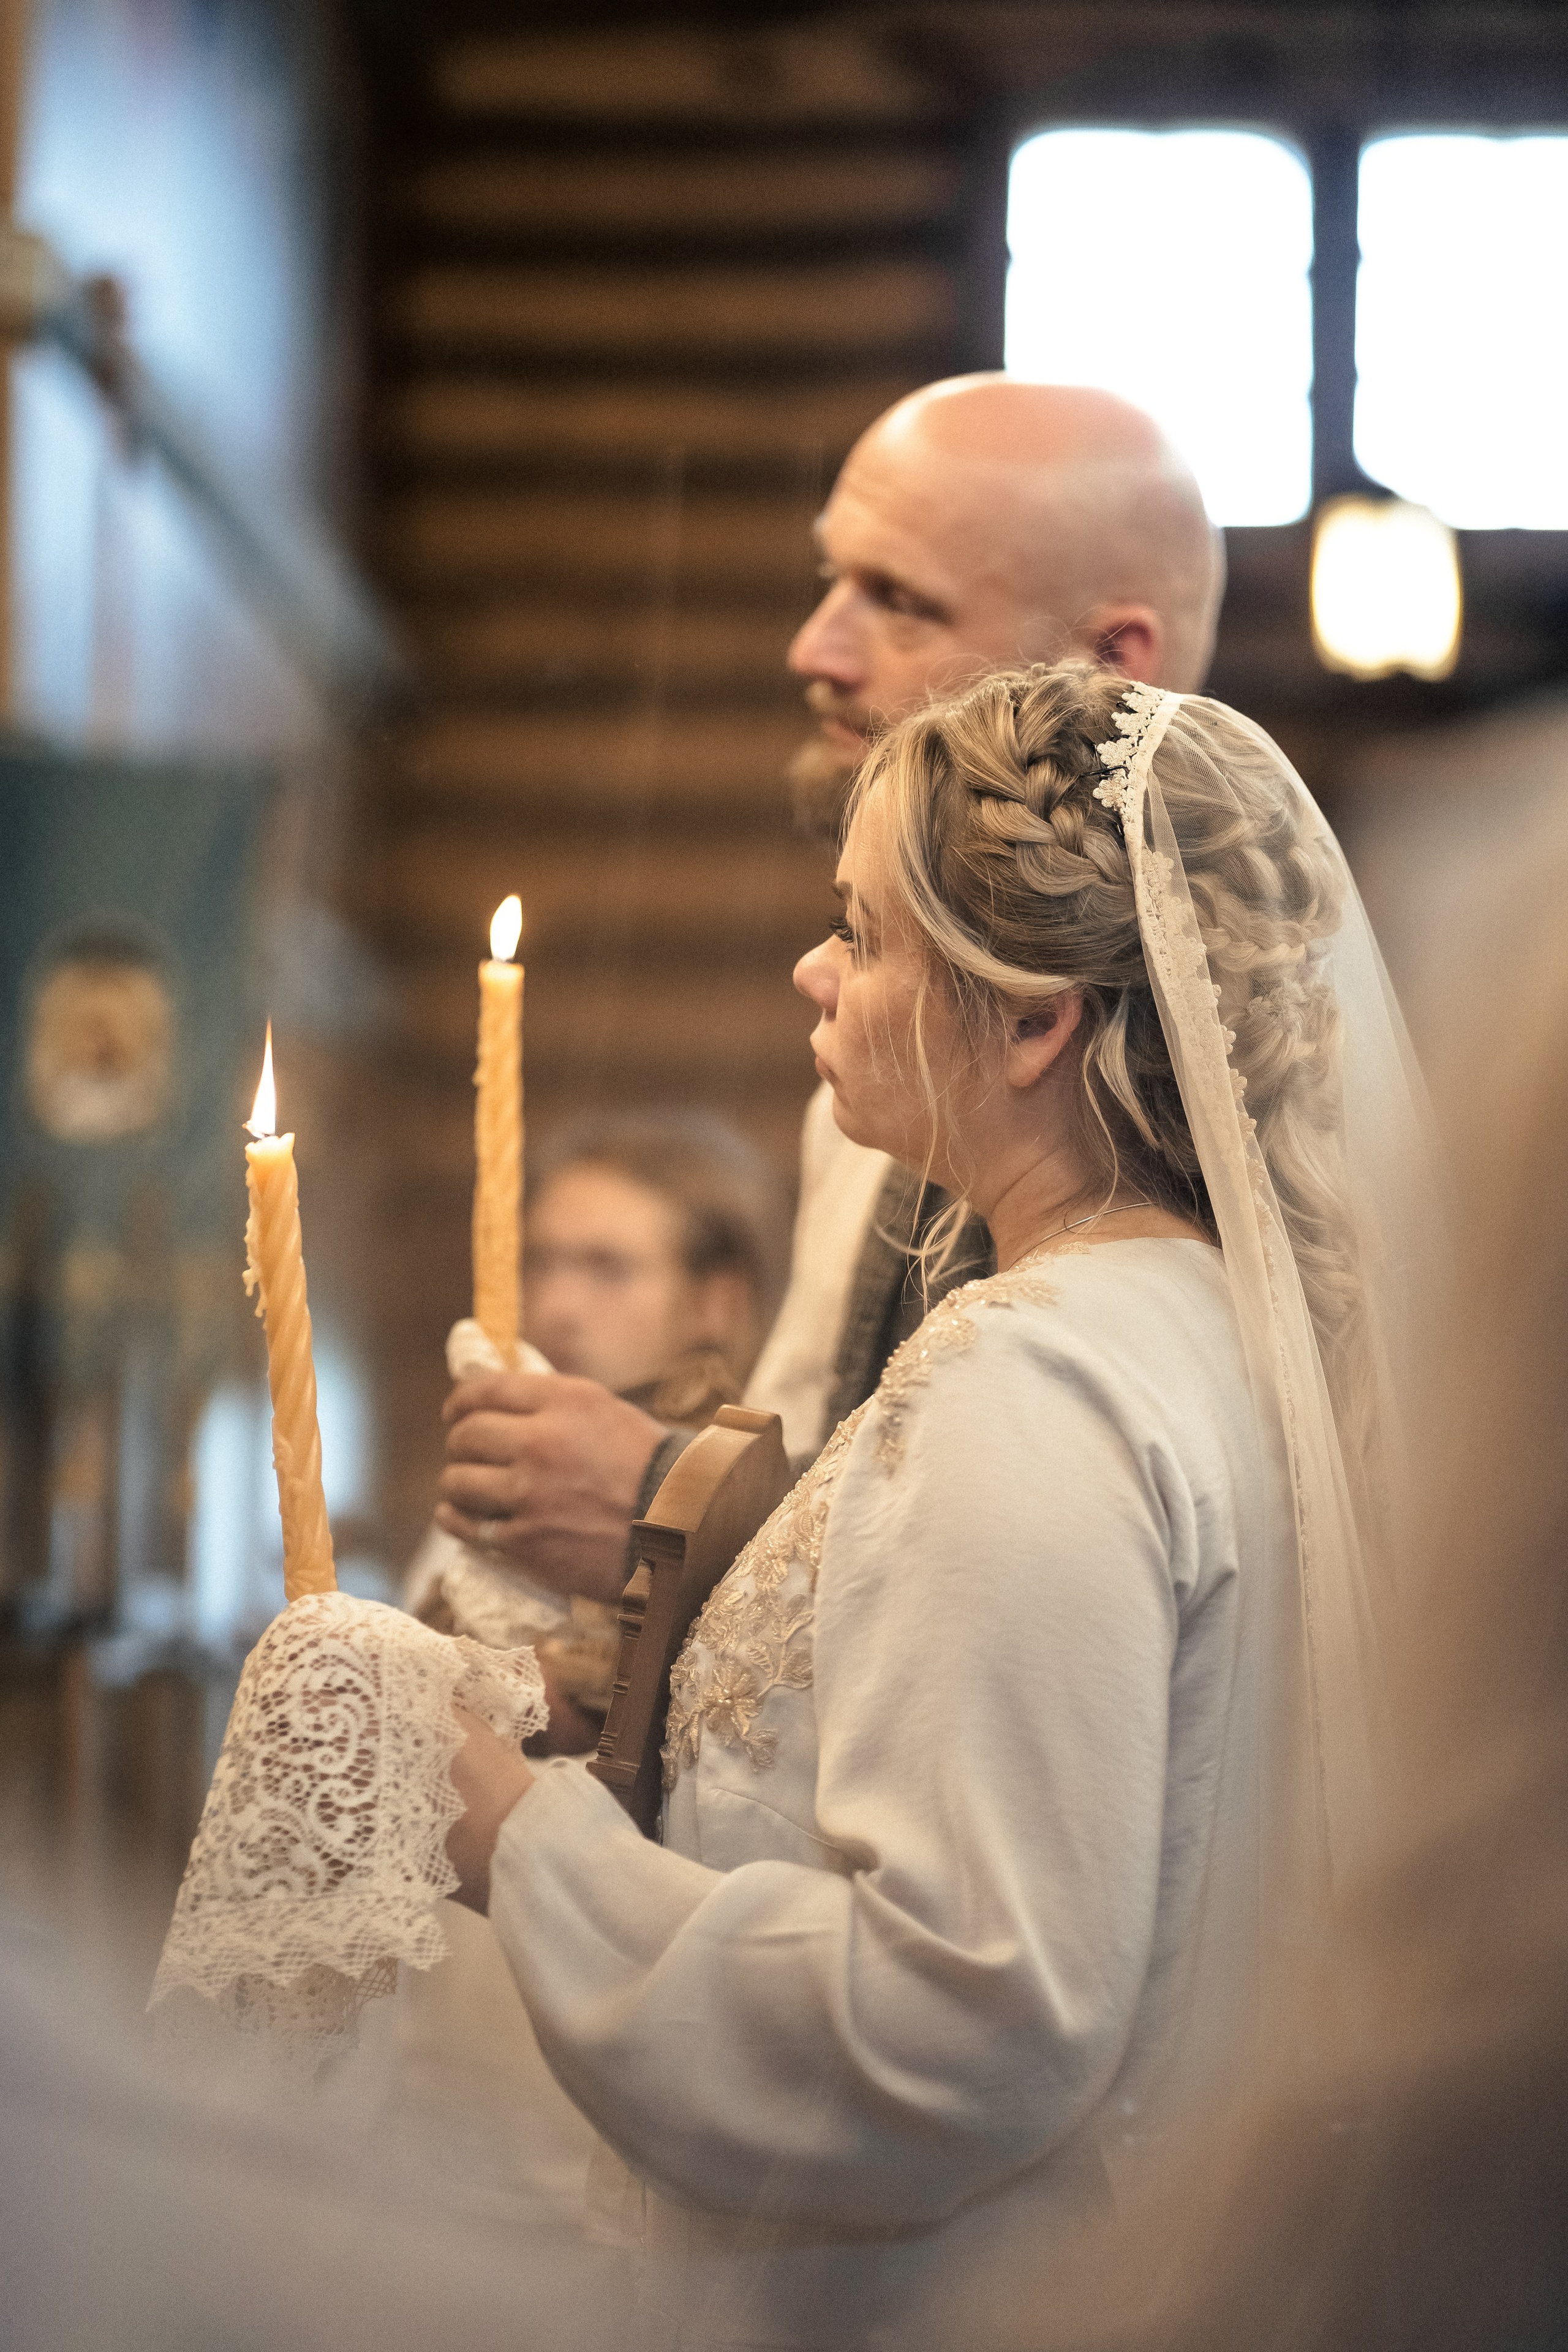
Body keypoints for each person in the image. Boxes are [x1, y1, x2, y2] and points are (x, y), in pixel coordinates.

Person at [434, 660, 1416, 2348]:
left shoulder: (1025, 1377)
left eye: (865, 936)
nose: (812, 970)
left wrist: (523, 1844)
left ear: (1036, 1019)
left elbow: (962, 2017)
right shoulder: (1203, 1325)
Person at [435, 374, 1228, 1614]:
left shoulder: (1246, 1108)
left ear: (1110, 660)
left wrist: (656, 1497)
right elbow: (823, 1474)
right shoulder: (859, 1096)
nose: (813, 649)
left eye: (898, 601)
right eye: (829, 579)